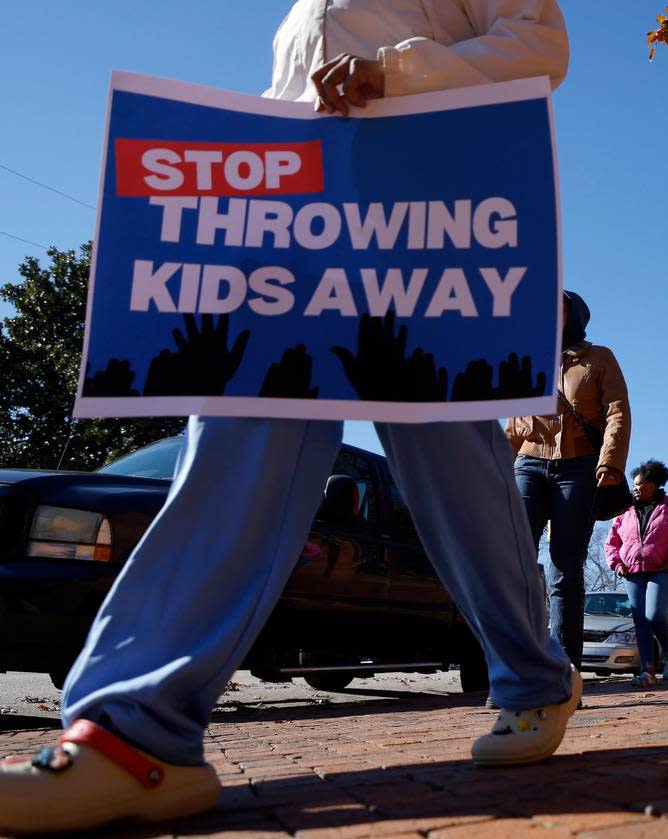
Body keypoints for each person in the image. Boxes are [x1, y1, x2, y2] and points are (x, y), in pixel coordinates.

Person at [0, 2, 579, 834]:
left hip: (424, 224)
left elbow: (540, 46)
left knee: (454, 470)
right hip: (294, 221)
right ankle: (137, 732)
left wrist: (399, 70)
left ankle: (533, 675)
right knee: (237, 434)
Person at [506, 290, 630, 668]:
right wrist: (493, 467)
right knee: (512, 560)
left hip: (578, 468)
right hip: (528, 463)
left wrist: (610, 462)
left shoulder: (599, 358)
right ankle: (513, 668)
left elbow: (617, 411)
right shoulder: (524, 356)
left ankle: (565, 670)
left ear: (573, 314)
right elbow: (513, 421)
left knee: (565, 568)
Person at [605, 460, 668, 687]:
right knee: (640, 621)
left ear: (653, 485)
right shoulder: (624, 510)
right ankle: (648, 670)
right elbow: (612, 542)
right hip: (632, 572)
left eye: (640, 484)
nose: (635, 488)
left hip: (663, 570)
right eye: (634, 484)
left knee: (654, 615)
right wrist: (617, 564)